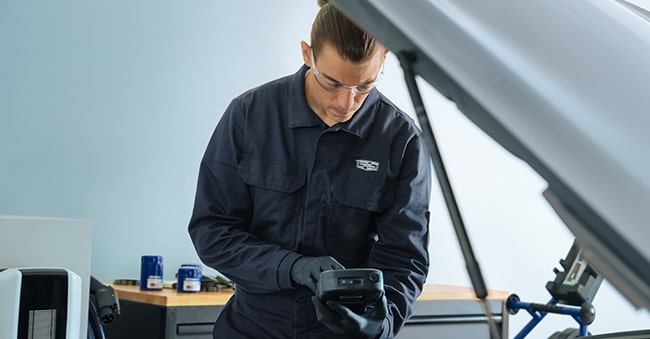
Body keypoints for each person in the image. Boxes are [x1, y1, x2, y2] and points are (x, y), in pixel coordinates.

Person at [188, 1, 432, 338]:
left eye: (364, 86)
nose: (346, 103)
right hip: (252, 328)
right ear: (308, 54)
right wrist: (291, 267)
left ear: (384, 61)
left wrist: (380, 325)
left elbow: (404, 258)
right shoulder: (249, 116)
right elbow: (212, 231)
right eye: (332, 83)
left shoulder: (402, 141)